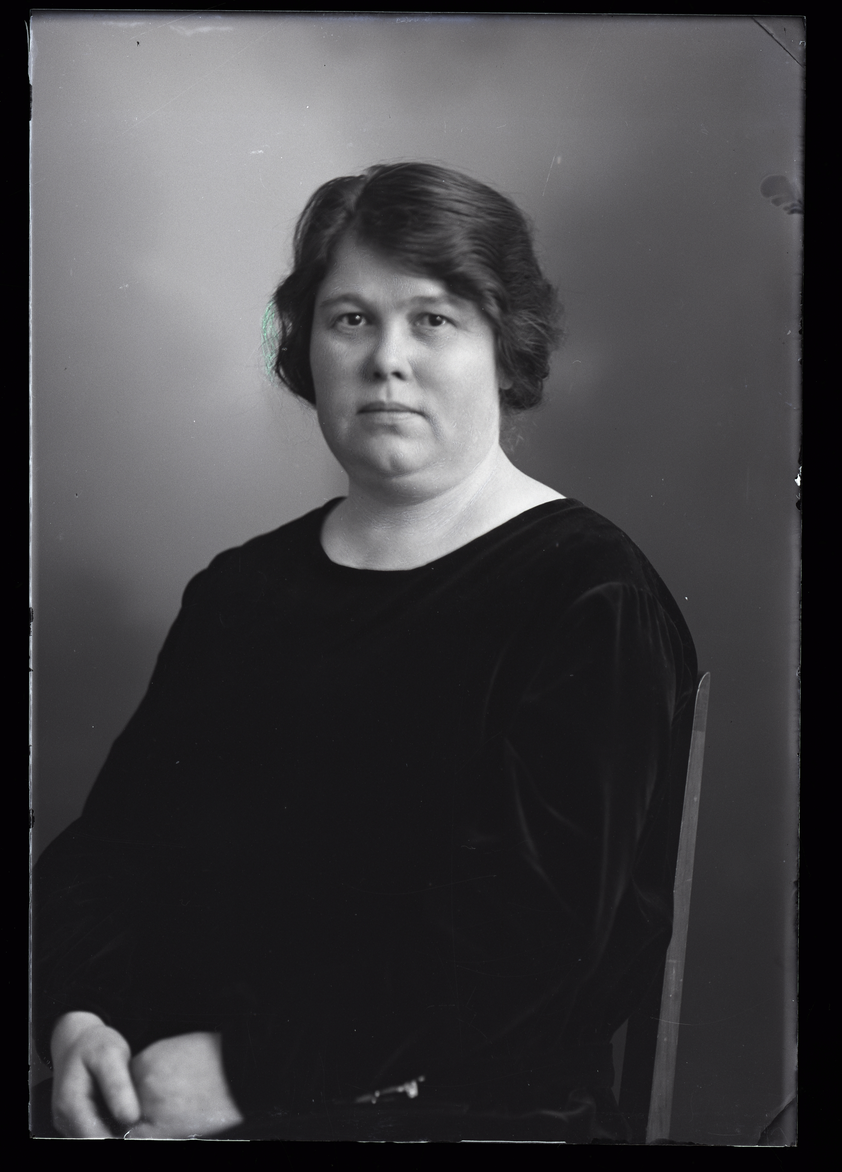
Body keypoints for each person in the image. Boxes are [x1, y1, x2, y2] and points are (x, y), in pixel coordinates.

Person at [32, 162, 698, 1142]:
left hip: (463, 1121)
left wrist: (247, 1072)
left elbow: (531, 940)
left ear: (503, 347)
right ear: (306, 346)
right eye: (350, 318)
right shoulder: (242, 591)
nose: (387, 359)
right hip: (173, 1098)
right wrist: (79, 1017)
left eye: (433, 319)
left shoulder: (586, 592)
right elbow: (112, 855)